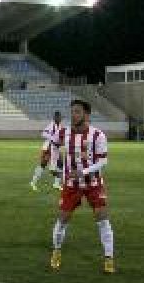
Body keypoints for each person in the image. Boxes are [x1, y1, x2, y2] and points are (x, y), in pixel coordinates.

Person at [49, 100, 115, 273]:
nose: (73, 115)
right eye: (72, 112)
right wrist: (56, 166)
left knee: (102, 217)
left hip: (93, 183)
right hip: (72, 184)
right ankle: (56, 251)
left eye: (77, 112)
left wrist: (83, 171)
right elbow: (54, 145)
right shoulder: (63, 132)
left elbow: (103, 161)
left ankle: (109, 258)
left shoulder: (97, 135)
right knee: (63, 219)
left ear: (87, 114)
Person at [30, 111, 64, 190]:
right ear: (55, 118)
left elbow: (60, 137)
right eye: (58, 117)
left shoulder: (60, 126)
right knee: (43, 164)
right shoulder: (51, 125)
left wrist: (60, 142)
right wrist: (53, 139)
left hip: (55, 148)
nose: (60, 118)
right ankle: (33, 182)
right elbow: (43, 134)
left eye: (60, 117)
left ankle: (56, 184)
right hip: (48, 148)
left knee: (60, 165)